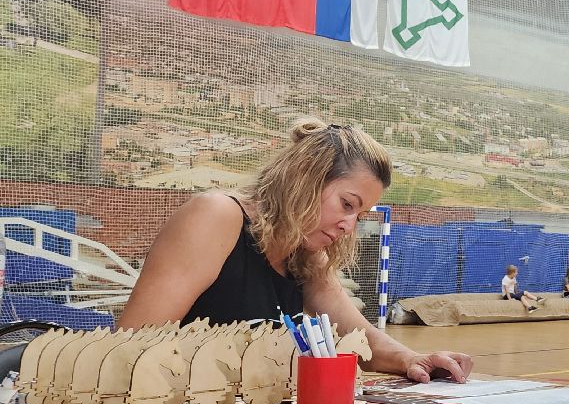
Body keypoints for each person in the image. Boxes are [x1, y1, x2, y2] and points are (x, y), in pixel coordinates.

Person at [118, 120, 472, 384]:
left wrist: (415, 359)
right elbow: (130, 346)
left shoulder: (304, 255)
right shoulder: (217, 215)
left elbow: (358, 336)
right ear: (306, 177)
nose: (349, 225)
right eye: (347, 204)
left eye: (359, 215)